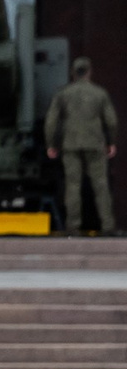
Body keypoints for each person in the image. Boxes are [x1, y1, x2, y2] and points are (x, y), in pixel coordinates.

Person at [45, 58, 117, 237]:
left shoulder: (63, 93)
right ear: (89, 72)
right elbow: (111, 121)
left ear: (73, 73)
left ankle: (73, 226)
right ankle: (107, 225)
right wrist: (111, 141)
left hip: (70, 144)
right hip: (95, 143)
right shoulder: (100, 93)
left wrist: (51, 143)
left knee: (73, 186)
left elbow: (51, 121)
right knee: (101, 185)